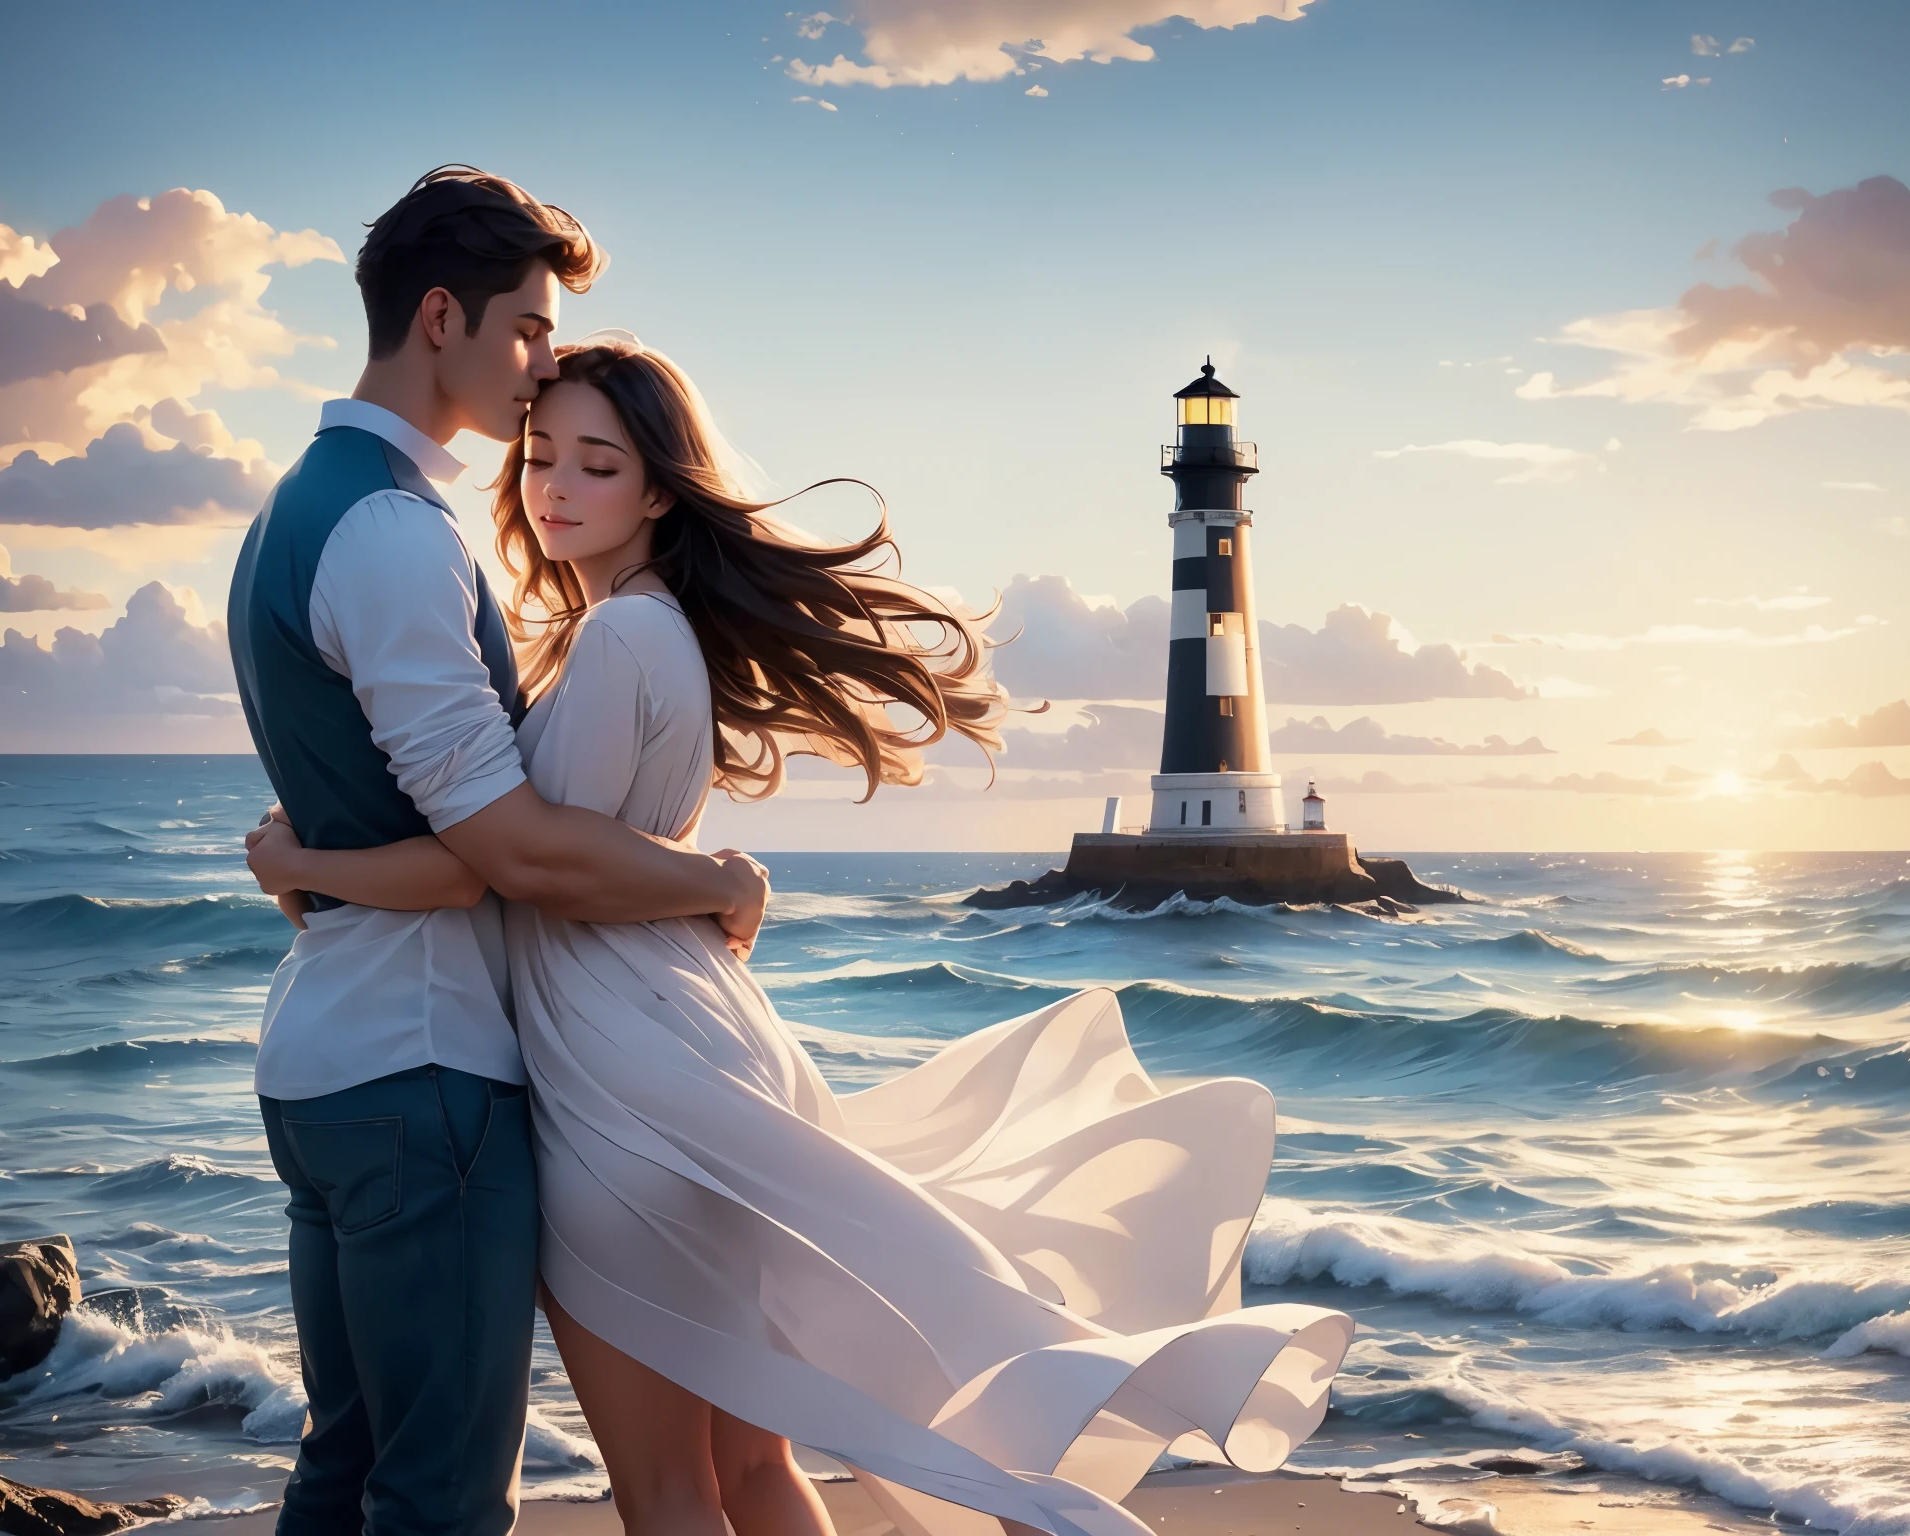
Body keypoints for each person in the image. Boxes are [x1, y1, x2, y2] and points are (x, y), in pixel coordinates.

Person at [245, 339, 1355, 1536]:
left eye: (597, 465)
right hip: (692, 1042)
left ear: (660, 490)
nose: (552, 487)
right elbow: (556, 850)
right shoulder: (648, 627)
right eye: (540, 456)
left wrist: (303, 863)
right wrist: (710, 876)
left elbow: (522, 866)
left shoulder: (617, 636)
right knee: (753, 1465)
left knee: (665, 1487)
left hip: (621, 1079)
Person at [228, 170, 771, 1536]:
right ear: (437, 320)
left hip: (331, 1060)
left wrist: (302, 866)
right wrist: (715, 881)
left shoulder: (295, 509)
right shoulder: (393, 533)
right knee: (440, 1500)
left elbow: (387, 818)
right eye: (526, 330)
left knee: (347, 1472)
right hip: (423, 1073)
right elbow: (498, 853)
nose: (538, 372)